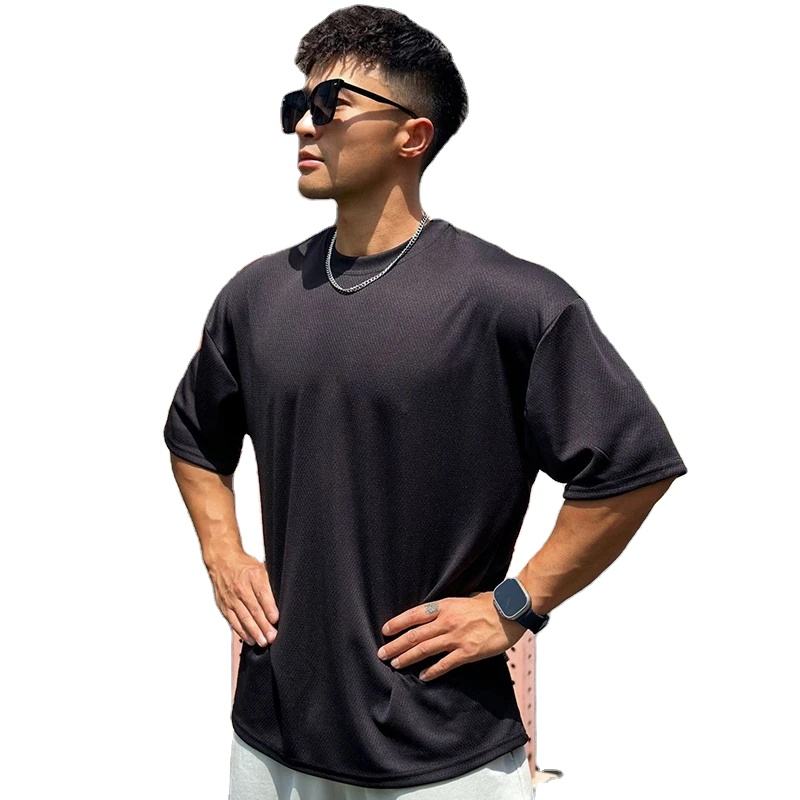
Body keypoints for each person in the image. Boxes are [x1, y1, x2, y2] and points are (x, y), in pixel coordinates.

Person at [163, 6, 688, 799]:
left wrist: (515, 605)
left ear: (413, 136)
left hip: (444, 751)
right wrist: (222, 554)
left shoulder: (511, 302)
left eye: (330, 104)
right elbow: (196, 438)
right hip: (272, 738)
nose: (303, 125)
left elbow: (631, 469)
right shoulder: (257, 295)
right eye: (296, 104)